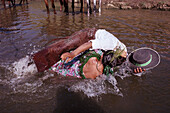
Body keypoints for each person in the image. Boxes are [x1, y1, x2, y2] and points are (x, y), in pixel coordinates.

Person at [32, 28, 160, 79]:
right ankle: (34, 61)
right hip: (89, 35)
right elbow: (90, 44)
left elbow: (127, 68)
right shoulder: (112, 44)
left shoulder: (125, 57)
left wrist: (135, 73)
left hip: (99, 51)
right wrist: (73, 54)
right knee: (62, 47)